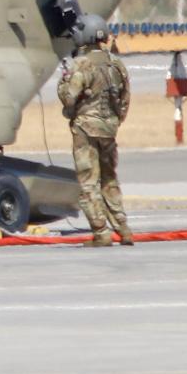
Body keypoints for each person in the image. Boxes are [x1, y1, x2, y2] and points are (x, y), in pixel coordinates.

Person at [58, 16, 133, 247]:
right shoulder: (116, 64)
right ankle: (123, 228)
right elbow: (124, 99)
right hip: (109, 129)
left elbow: (68, 98)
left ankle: (101, 232)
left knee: (88, 181)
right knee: (109, 179)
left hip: (86, 130)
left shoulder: (81, 65)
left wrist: (63, 83)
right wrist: (114, 121)